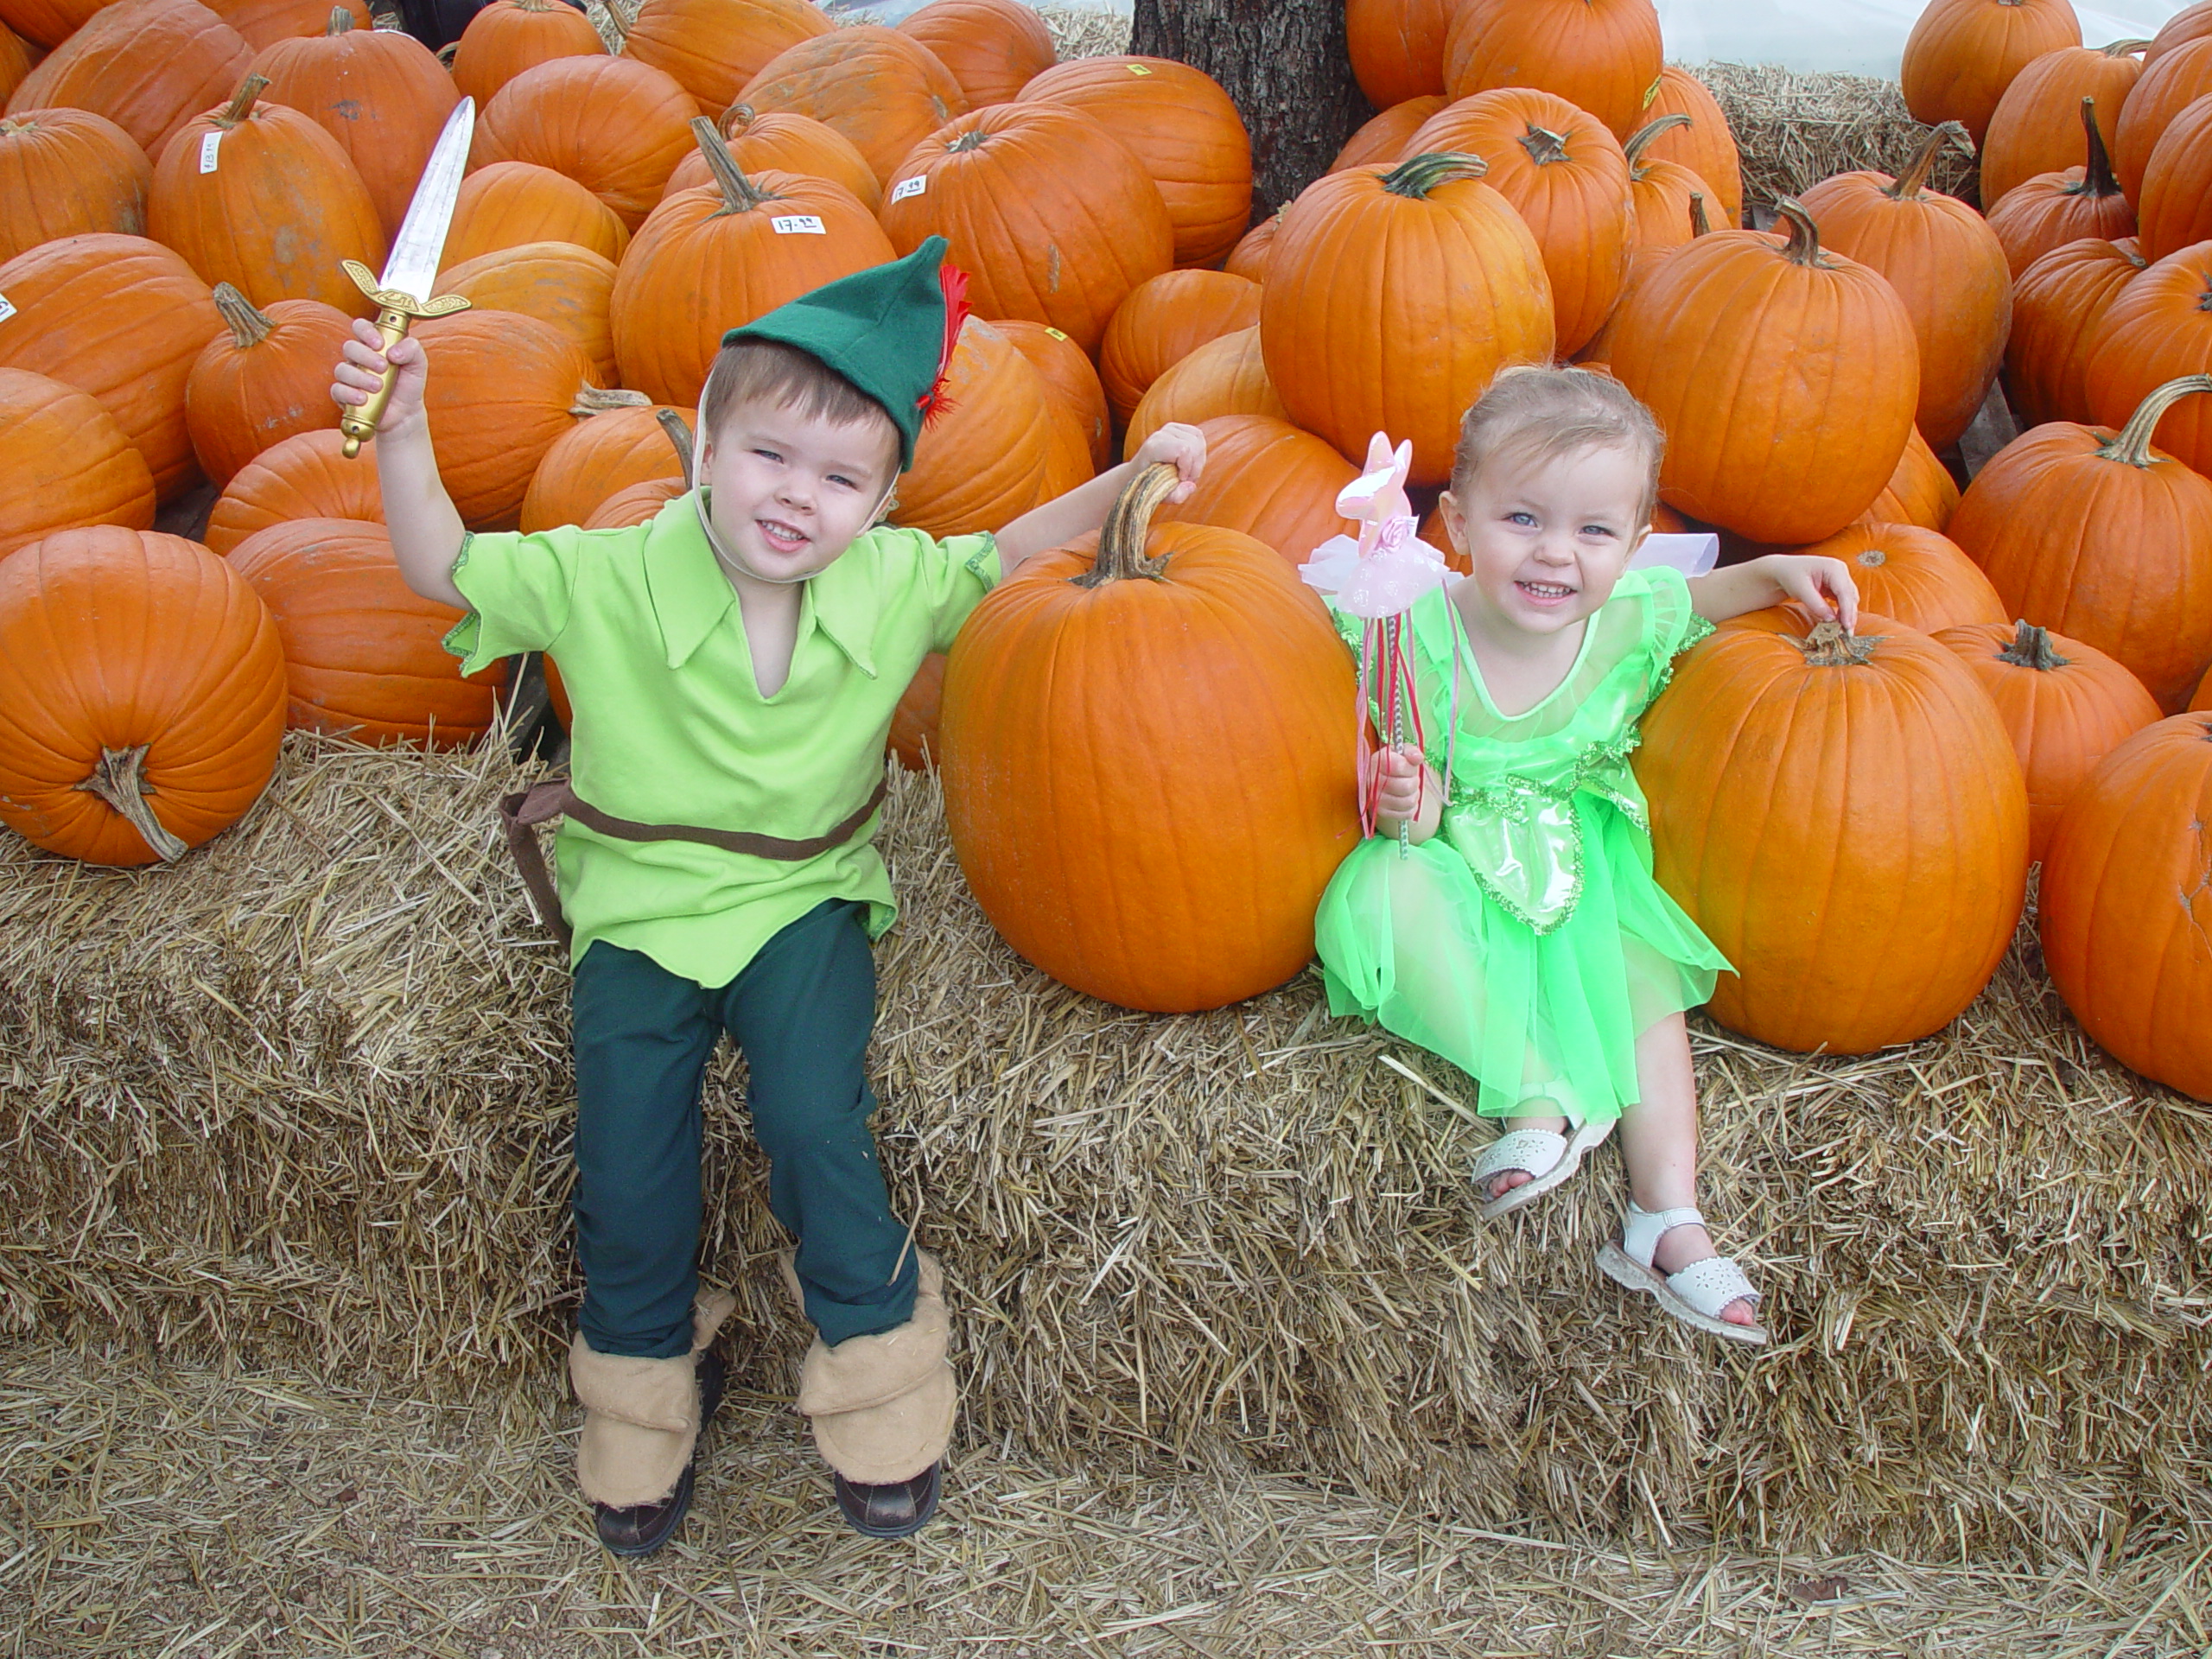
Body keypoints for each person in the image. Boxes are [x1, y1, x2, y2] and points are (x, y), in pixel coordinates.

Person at [330, 238, 1205, 1554]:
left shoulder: (894, 580)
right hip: (639, 906)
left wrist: (1132, 480)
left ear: (885, 498)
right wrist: (401, 431)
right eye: (769, 458)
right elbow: (439, 566)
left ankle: (879, 1366)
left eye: (844, 478)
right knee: (628, 1151)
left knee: (812, 1117)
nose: (800, 499)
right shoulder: (606, 574)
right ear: (699, 449)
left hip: (805, 899)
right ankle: (638, 1378)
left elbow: (1009, 549)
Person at [1313, 366, 1859, 1346]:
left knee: (1639, 990)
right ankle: (1534, 1095)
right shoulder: (1407, 630)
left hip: (1577, 854)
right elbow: (1414, 794)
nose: (1556, 554)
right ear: (1456, 522)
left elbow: (1695, 601)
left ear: (1633, 546)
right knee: (1380, 890)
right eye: (1522, 518)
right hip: (1458, 849)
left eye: (1594, 532)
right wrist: (1405, 803)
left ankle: (1668, 1214)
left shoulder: (1626, 621)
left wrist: (1775, 572)